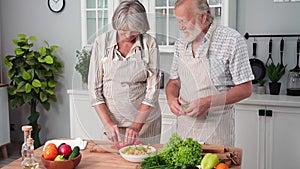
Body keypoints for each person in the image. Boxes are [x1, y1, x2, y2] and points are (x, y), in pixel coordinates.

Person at [166, 0, 254, 146]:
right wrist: (171, 98)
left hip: (217, 133)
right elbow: (174, 81)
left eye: (185, 21)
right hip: (185, 132)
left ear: (203, 17)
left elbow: (245, 89)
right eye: (178, 21)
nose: (180, 27)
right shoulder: (180, 44)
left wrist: (206, 103)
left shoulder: (231, 40)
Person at [88, 0, 161, 145]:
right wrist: (108, 123)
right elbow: (94, 89)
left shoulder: (149, 44)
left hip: (145, 125)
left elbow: (153, 90)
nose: (128, 35)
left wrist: (136, 126)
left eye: (134, 31)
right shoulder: (101, 43)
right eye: (123, 30)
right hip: (112, 126)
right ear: (116, 24)